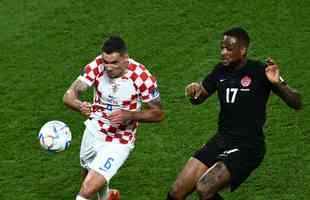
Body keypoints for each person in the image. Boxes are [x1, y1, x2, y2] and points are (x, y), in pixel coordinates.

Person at [166, 27, 302, 200]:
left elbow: (296, 102)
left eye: (229, 49)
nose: (223, 53)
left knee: (204, 187)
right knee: (176, 191)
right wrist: (193, 93)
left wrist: (278, 83)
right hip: (222, 139)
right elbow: (199, 98)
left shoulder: (260, 71)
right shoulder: (219, 71)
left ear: (243, 50)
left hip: (248, 146)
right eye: (222, 48)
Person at [63, 36, 165, 200]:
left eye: (114, 62)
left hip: (120, 139)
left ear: (126, 58)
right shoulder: (97, 66)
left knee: (86, 190)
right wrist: (78, 105)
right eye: (106, 61)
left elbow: (159, 113)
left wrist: (129, 115)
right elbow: (68, 96)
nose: (108, 68)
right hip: (94, 130)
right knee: (89, 177)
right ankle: (108, 197)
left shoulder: (141, 77)